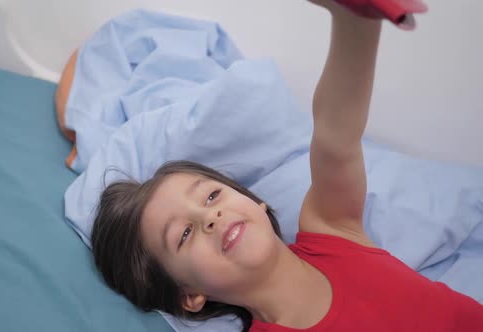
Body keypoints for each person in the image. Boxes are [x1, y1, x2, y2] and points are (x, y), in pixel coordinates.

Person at [55, 1, 483, 331]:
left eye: (211, 195)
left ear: (256, 203)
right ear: (190, 296)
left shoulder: (333, 232)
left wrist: (355, 20)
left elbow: (336, 135)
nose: (210, 217)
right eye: (183, 234)